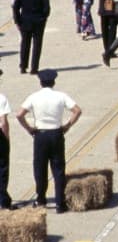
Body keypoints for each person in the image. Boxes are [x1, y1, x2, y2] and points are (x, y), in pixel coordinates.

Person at [17, 69, 82, 213]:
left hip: (40, 135)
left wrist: (29, 129)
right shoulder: (61, 96)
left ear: (40, 82)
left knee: (40, 168)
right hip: (56, 134)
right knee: (58, 169)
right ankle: (60, 203)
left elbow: (19, 114)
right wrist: (67, 125)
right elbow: (77, 110)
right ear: (54, 82)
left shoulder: (34, 97)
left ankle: (41, 199)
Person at [13, 0, 51, 75]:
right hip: (38, 21)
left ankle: (23, 66)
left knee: (25, 44)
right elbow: (46, 9)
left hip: (25, 21)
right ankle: (34, 68)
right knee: (37, 45)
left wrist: (17, 20)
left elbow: (16, 7)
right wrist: (43, 18)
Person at [0, 88, 10, 209]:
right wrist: (6, 138)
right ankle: (3, 200)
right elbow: (3, 122)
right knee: (2, 167)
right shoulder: (1, 98)